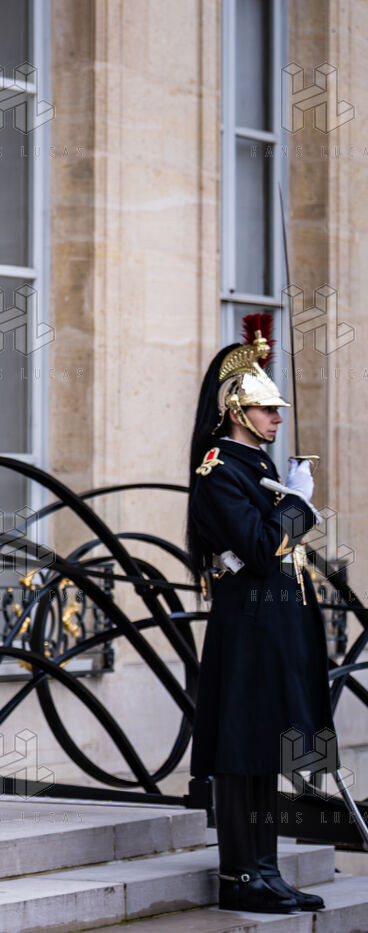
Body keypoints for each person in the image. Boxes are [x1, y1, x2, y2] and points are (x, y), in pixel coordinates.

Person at [186, 315, 333, 914]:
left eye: (276, 410)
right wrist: (297, 504)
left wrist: (288, 498)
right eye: (267, 410)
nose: (276, 419)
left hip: (273, 624)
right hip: (247, 624)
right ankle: (240, 875)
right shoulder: (219, 469)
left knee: (267, 750)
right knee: (241, 748)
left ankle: (266, 870)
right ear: (237, 411)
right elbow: (260, 546)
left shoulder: (257, 466)